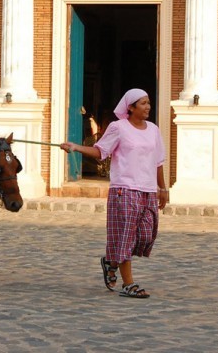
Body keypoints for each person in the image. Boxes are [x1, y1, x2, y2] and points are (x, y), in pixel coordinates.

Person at [60, 88, 167, 299]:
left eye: (148, 102)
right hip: (124, 189)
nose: (148, 107)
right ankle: (129, 284)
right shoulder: (118, 128)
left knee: (145, 236)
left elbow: (158, 161)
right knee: (125, 237)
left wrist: (162, 188)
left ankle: (111, 261)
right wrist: (76, 147)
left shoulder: (153, 129)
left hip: (147, 190)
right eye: (143, 103)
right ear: (130, 107)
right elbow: (101, 152)